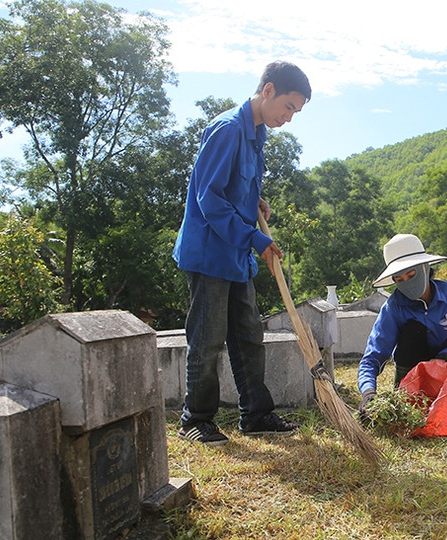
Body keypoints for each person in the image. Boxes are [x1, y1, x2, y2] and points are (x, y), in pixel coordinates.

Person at [172, 61, 311, 445]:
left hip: (236, 254)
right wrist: (255, 238)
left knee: (249, 335)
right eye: (287, 107)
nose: (288, 117)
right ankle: (195, 419)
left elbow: (237, 185)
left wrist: (255, 201)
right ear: (268, 90)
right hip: (209, 252)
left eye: (295, 112)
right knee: (208, 337)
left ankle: (256, 414)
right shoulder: (227, 129)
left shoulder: (257, 133)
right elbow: (209, 198)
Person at [357, 234, 447, 415]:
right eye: (399, 280)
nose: (407, 283)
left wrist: (442, 360)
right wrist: (368, 393)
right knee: (413, 330)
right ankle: (409, 396)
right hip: (411, 376)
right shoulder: (394, 307)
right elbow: (373, 356)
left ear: (425, 268)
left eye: (411, 275)